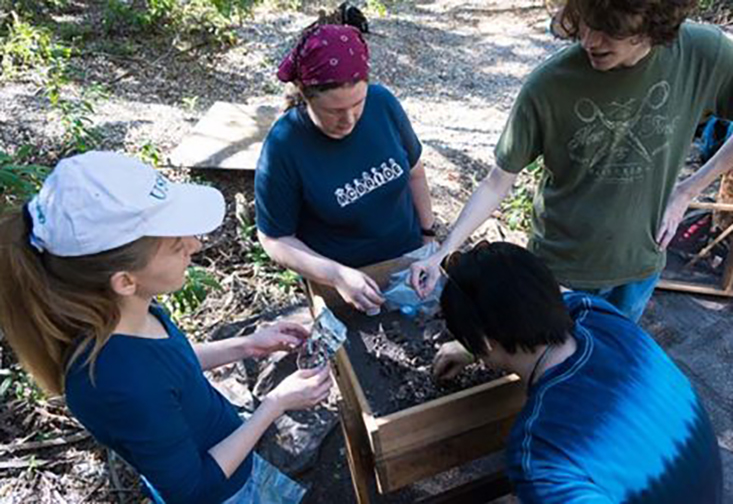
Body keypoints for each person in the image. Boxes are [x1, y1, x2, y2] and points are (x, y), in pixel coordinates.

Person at [0, 151, 332, 504]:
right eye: (176, 246)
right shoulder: (116, 383)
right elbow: (193, 490)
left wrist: (247, 345)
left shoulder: (133, 312)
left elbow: (171, 366)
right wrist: (275, 404)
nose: (196, 244)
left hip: (232, 451)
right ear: (125, 280)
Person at [410, 0, 733, 322]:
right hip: (560, 271)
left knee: (606, 360)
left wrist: (688, 190)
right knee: (551, 360)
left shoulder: (701, 55)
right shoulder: (549, 85)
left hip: (639, 268)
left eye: (610, 29)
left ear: (654, 22)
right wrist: (443, 251)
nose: (590, 40)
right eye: (585, 21)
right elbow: (497, 181)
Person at [434, 241, 723, 503]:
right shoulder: (597, 314)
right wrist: (472, 346)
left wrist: (477, 341)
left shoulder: (542, 454)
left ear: (485, 342)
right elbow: (542, 292)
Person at [255, 24, 435, 314]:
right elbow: (274, 238)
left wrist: (428, 238)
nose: (349, 120)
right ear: (305, 94)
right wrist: (335, 275)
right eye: (334, 111)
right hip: (346, 284)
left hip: (409, 262)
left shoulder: (383, 104)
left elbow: (414, 172)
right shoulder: (284, 145)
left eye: (358, 104)